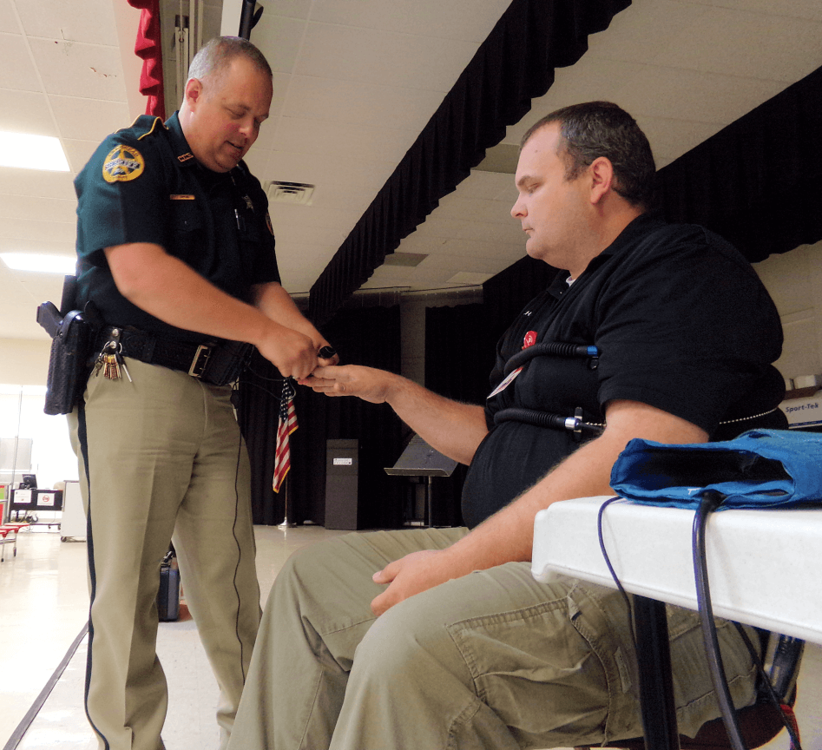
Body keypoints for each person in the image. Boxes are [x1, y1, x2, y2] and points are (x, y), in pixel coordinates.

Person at [225, 102, 786, 750]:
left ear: (597, 179)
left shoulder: (675, 267)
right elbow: (497, 438)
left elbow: (640, 446)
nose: (516, 208)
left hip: (631, 582)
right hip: (533, 558)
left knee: (413, 647)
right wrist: (392, 390)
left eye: (530, 187)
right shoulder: (545, 308)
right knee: (309, 584)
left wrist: (460, 561)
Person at [67, 37, 336, 750]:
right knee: (126, 594)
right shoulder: (132, 158)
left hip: (214, 401)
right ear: (190, 94)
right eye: (236, 113)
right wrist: (264, 335)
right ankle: (132, 741)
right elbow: (142, 275)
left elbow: (262, 287)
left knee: (232, 589)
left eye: (260, 121)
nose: (248, 133)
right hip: (135, 387)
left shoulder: (244, 189)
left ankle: (256, 736)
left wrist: (305, 341)